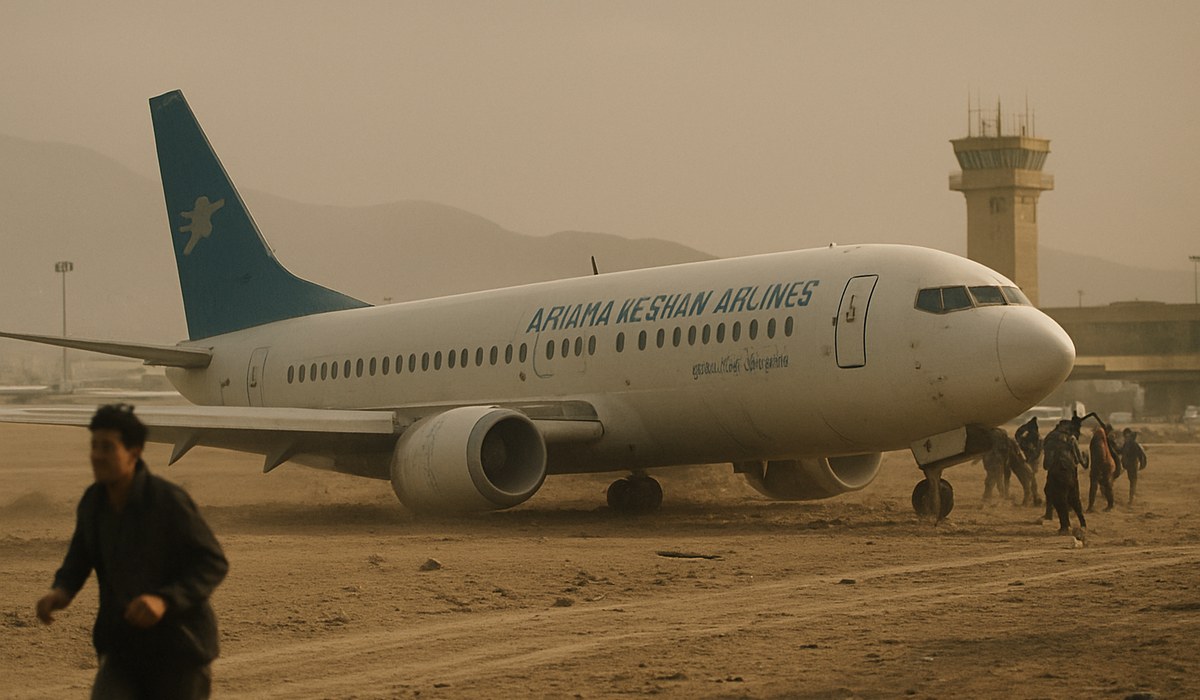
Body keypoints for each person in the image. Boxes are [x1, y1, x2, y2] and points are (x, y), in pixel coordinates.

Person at [35, 404, 228, 699]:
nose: (97, 456)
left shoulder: (167, 501)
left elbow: (212, 562)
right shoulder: (93, 503)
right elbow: (80, 556)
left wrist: (165, 600)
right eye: (94, 446)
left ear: (134, 452)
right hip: (122, 647)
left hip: (180, 650)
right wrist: (61, 590)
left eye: (108, 447)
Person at [1042, 418, 1087, 534]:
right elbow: (1079, 459)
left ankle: (1064, 526)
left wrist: (1047, 466)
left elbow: (1048, 459)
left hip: (1057, 473)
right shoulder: (1072, 439)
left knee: (1058, 498)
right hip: (1071, 472)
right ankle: (1083, 523)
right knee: (1074, 497)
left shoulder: (1052, 438)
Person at [1086, 424, 1117, 513]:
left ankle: (1091, 506)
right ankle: (1110, 505)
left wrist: (1099, 468)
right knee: (1106, 486)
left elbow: (1101, 454)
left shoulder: (1098, 439)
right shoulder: (1102, 437)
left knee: (1095, 486)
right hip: (1105, 465)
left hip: (1101, 466)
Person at [1120, 428, 1148, 505]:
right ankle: (1131, 498)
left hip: (1128, 465)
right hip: (1133, 465)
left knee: (1131, 480)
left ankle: (1131, 497)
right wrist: (1142, 465)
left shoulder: (1126, 444)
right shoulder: (1135, 444)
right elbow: (1141, 456)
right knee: (1133, 481)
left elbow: (1121, 451)